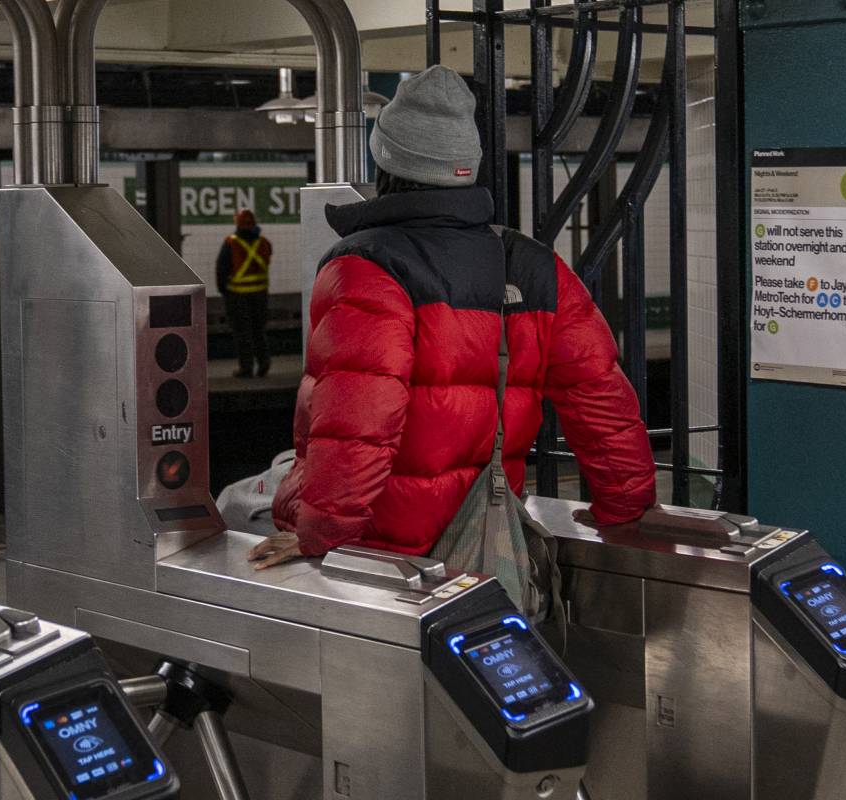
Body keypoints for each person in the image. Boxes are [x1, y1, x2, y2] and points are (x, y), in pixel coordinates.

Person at [249, 65, 655, 569]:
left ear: (386, 160)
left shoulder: (367, 267)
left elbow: (358, 423)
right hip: (486, 539)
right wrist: (623, 509)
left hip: (381, 558)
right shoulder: (533, 267)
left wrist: (321, 535)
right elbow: (604, 406)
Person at [215, 208, 273, 378]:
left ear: (238, 224)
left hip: (237, 296)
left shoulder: (231, 243)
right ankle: (264, 362)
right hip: (260, 295)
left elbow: (221, 269)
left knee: (242, 332)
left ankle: (246, 368)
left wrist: (223, 289)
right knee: (259, 330)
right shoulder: (263, 242)